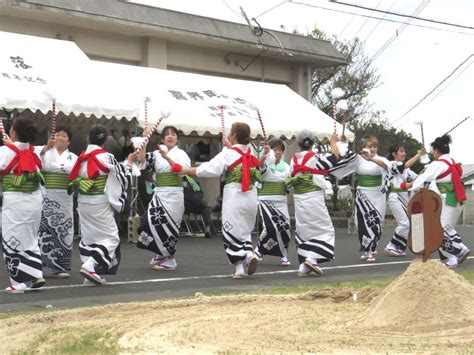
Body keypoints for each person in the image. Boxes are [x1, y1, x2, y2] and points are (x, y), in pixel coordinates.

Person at [179, 122, 260, 279]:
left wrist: (186, 170)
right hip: (250, 196)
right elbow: (237, 152)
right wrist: (228, 147)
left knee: (230, 230)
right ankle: (247, 257)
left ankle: (240, 266)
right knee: (244, 230)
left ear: (234, 136)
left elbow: (211, 168)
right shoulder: (250, 152)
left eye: (231, 132)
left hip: (235, 195)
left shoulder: (228, 154)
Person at [68, 124, 138, 285]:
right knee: (111, 238)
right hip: (99, 202)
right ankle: (90, 265)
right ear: (105, 140)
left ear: (88, 138)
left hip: (83, 201)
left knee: (90, 236)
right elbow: (122, 178)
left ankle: (90, 275)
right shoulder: (106, 157)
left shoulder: (81, 157)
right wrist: (128, 162)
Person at [404, 134, 470, 267]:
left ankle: (457, 252)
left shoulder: (436, 164)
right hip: (455, 197)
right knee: (447, 228)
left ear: (436, 151)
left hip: (447, 198)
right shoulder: (451, 161)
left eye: (433, 150)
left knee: (438, 229)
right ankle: (454, 254)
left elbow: (421, 180)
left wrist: (411, 187)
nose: (432, 153)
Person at [285, 130, 341, 276]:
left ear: (298, 144)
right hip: (313, 198)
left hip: (299, 200)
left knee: (305, 231)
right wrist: (333, 142)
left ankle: (304, 267)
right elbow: (335, 157)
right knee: (325, 230)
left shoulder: (293, 161)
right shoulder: (315, 159)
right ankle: (312, 258)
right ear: (313, 143)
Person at [0, 116, 45, 293]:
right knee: (30, 238)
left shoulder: (5, 152)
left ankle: (17, 283)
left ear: (13, 132)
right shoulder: (34, 152)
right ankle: (35, 274)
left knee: (12, 239)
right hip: (34, 201)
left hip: (15, 201)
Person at [137, 126, 191, 270]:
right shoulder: (156, 153)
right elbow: (141, 160)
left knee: (170, 226)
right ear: (162, 139)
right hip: (160, 193)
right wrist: (144, 140)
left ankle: (171, 259)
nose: (170, 137)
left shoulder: (182, 154)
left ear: (177, 138)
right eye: (167, 134)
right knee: (149, 221)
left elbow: (180, 170)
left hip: (175, 194)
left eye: (173, 134)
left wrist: (167, 157)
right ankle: (161, 253)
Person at [330, 136, 390, 262]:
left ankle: (371, 247)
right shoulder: (358, 159)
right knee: (362, 222)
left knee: (376, 222)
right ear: (364, 148)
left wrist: (372, 159)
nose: (372, 149)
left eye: (374, 146)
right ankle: (367, 250)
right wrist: (343, 142)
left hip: (378, 194)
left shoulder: (381, 159)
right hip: (363, 194)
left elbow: (386, 167)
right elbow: (344, 156)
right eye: (369, 146)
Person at [37, 126, 78, 278]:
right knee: (43, 231)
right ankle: (37, 265)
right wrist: (46, 147)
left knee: (64, 231)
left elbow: (77, 174)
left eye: (64, 136)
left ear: (69, 141)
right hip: (47, 198)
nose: (60, 138)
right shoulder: (45, 152)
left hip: (65, 199)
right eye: (58, 135)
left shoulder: (73, 157)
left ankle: (61, 267)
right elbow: (34, 162)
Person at [254, 139, 292, 266]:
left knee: (285, 228)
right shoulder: (265, 164)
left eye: (280, 150)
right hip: (266, 201)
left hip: (281, 201)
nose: (277, 152)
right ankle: (259, 250)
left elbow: (289, 183)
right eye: (275, 150)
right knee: (269, 228)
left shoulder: (287, 167)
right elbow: (259, 165)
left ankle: (284, 255)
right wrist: (264, 154)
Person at [383, 143, 425, 257]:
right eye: (401, 151)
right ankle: (391, 246)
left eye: (404, 151)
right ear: (394, 154)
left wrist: (426, 171)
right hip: (395, 197)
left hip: (404, 198)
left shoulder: (407, 169)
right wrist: (418, 155)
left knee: (408, 224)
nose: (404, 153)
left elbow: (417, 178)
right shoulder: (391, 164)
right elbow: (404, 172)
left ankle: (398, 247)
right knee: (405, 224)